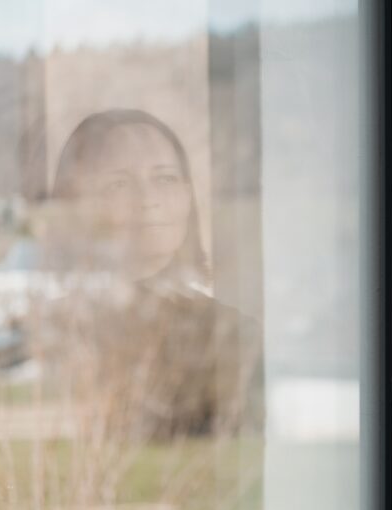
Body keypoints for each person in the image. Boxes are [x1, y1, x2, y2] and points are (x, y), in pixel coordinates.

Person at [35, 108, 263, 441]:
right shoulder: (51, 333)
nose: (147, 200)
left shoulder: (236, 336)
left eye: (165, 178)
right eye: (118, 185)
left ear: (187, 196)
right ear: (76, 205)